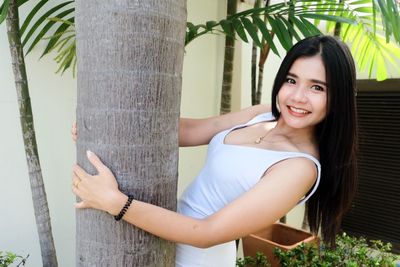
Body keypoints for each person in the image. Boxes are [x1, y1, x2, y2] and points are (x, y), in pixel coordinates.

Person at [71, 35, 357, 266]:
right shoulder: (262, 115)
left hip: (198, 258)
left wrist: (114, 202)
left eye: (317, 87)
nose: (297, 97)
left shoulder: (300, 168)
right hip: (158, 239)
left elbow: (206, 233)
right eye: (291, 80)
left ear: (338, 98)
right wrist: (110, 129)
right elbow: (192, 131)